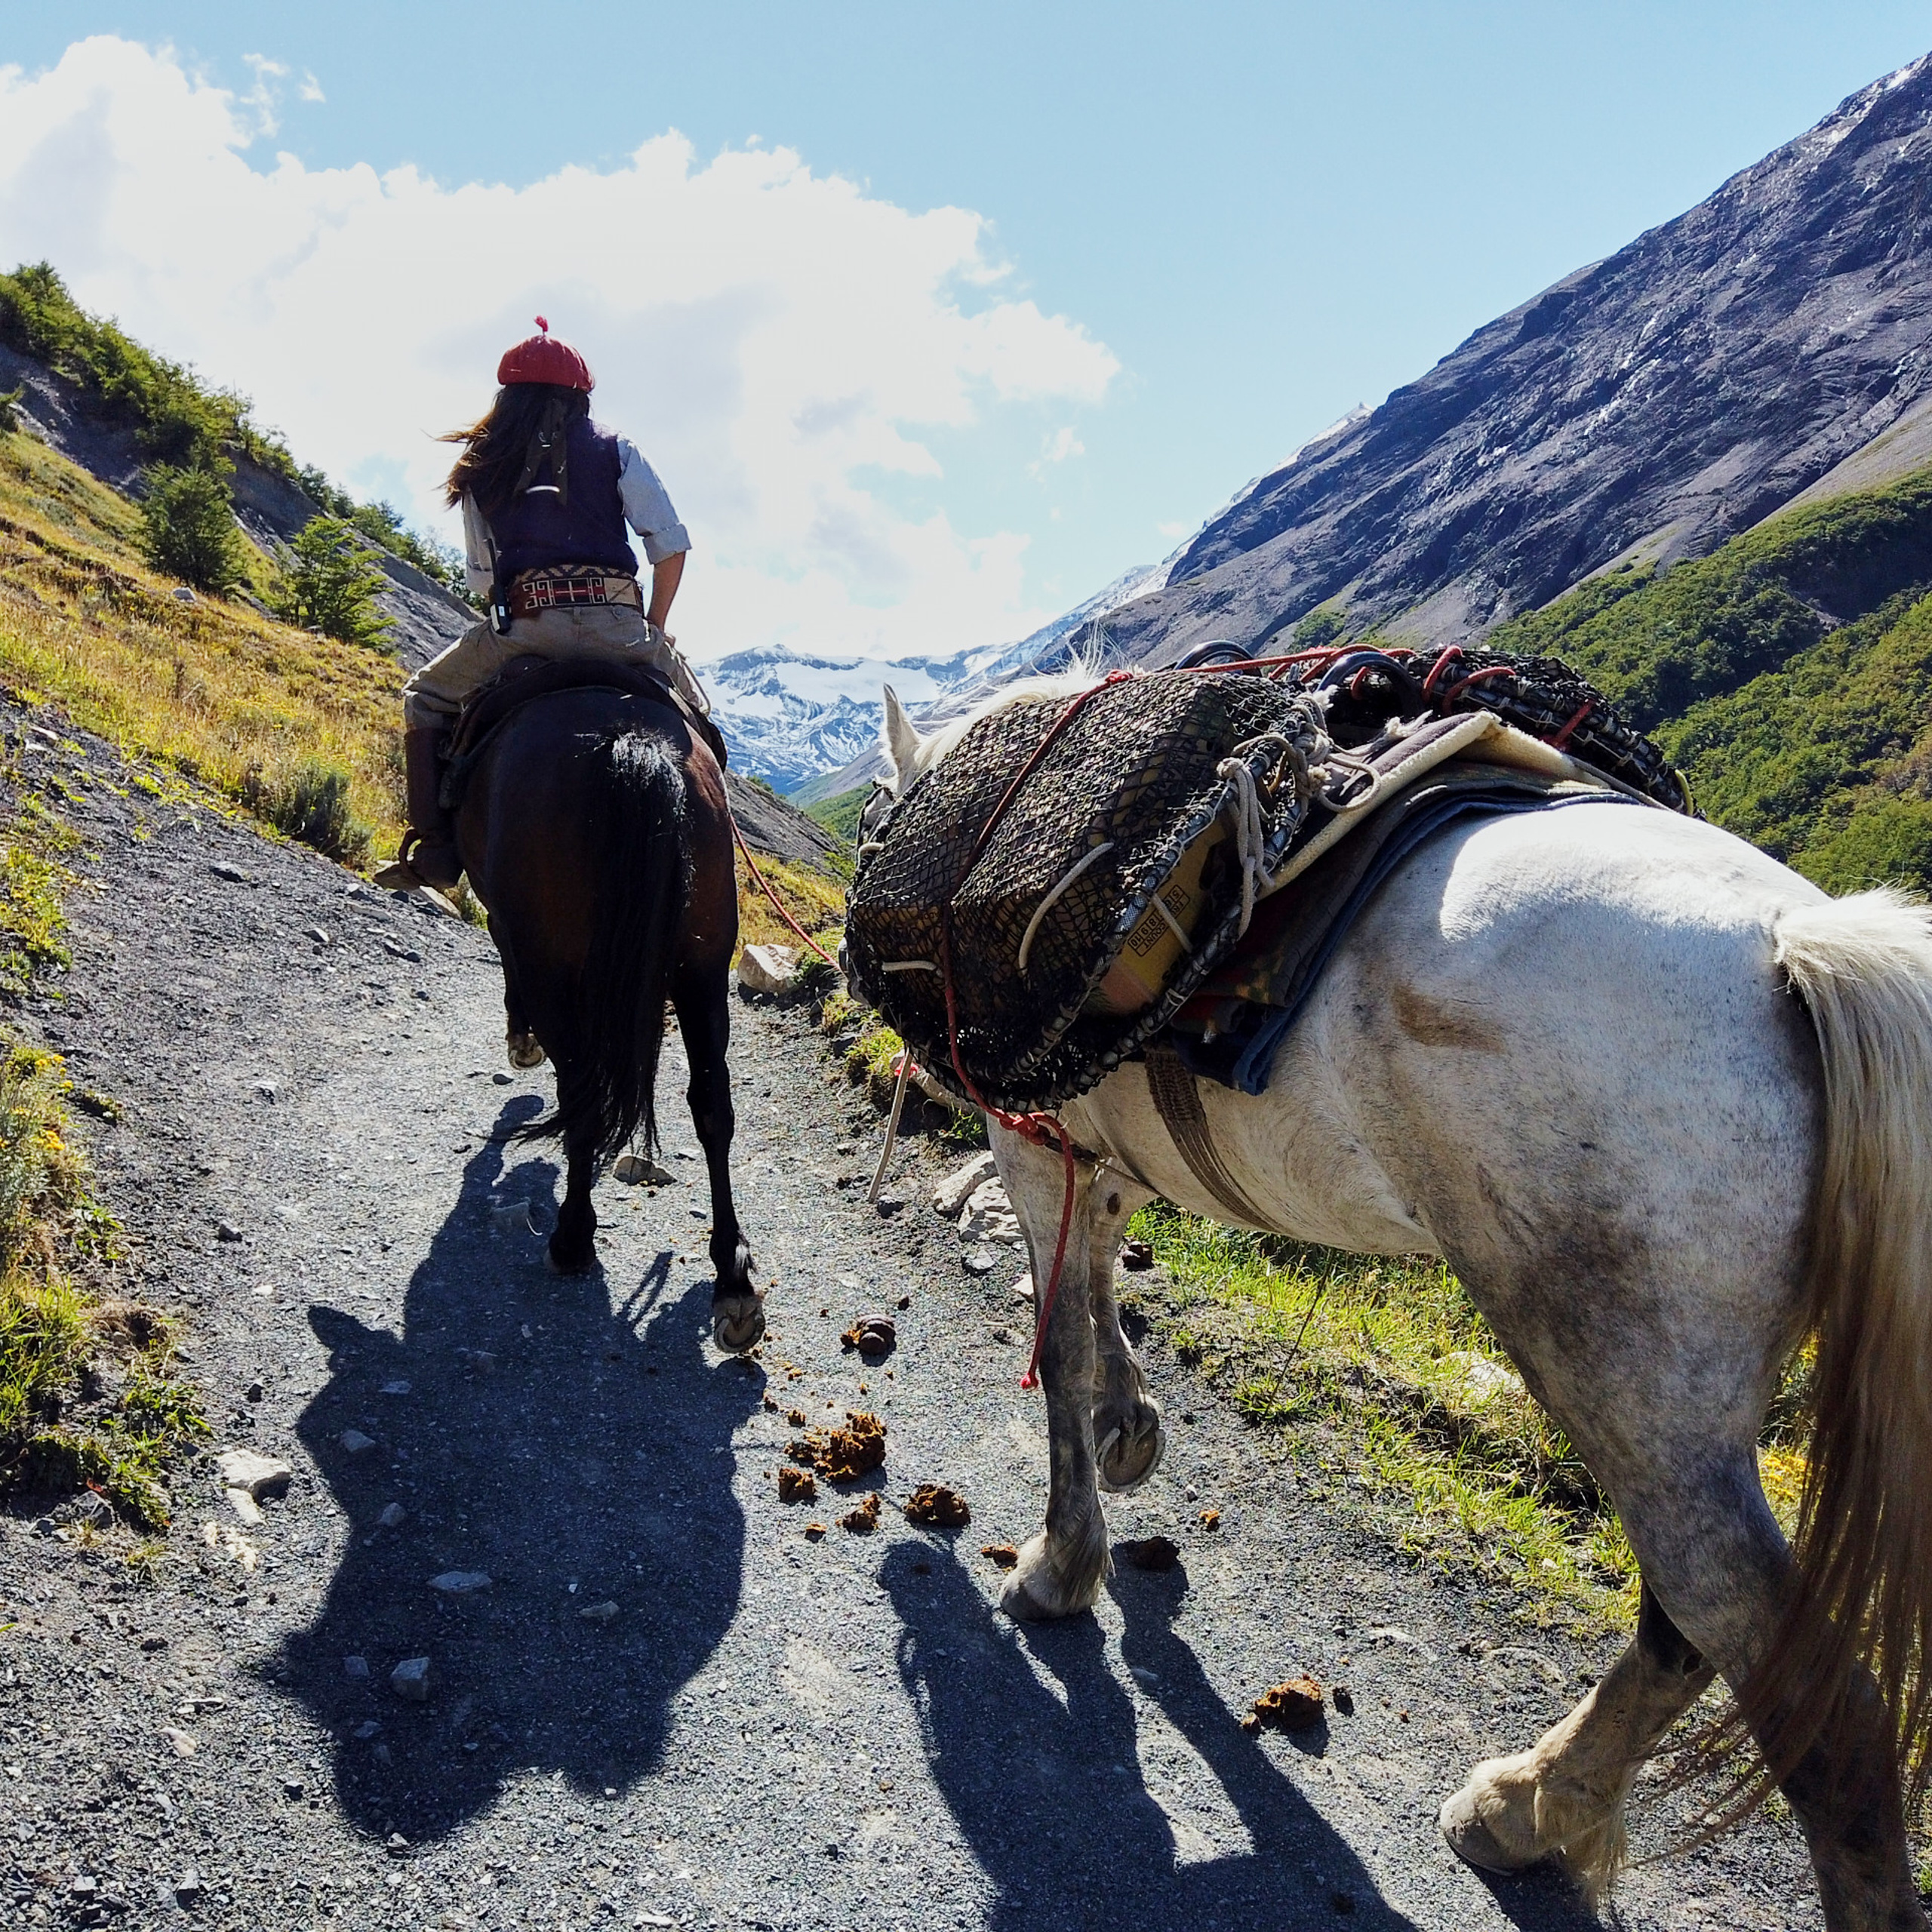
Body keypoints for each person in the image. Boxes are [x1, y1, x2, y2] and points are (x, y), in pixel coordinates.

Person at [377, 318, 717, 891]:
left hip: (526, 627)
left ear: (507, 395)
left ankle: (435, 851)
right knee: (700, 715)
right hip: (620, 629)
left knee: (425, 697)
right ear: (580, 394)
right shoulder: (617, 449)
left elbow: (484, 580)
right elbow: (671, 549)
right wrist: (653, 629)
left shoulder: (484, 464)